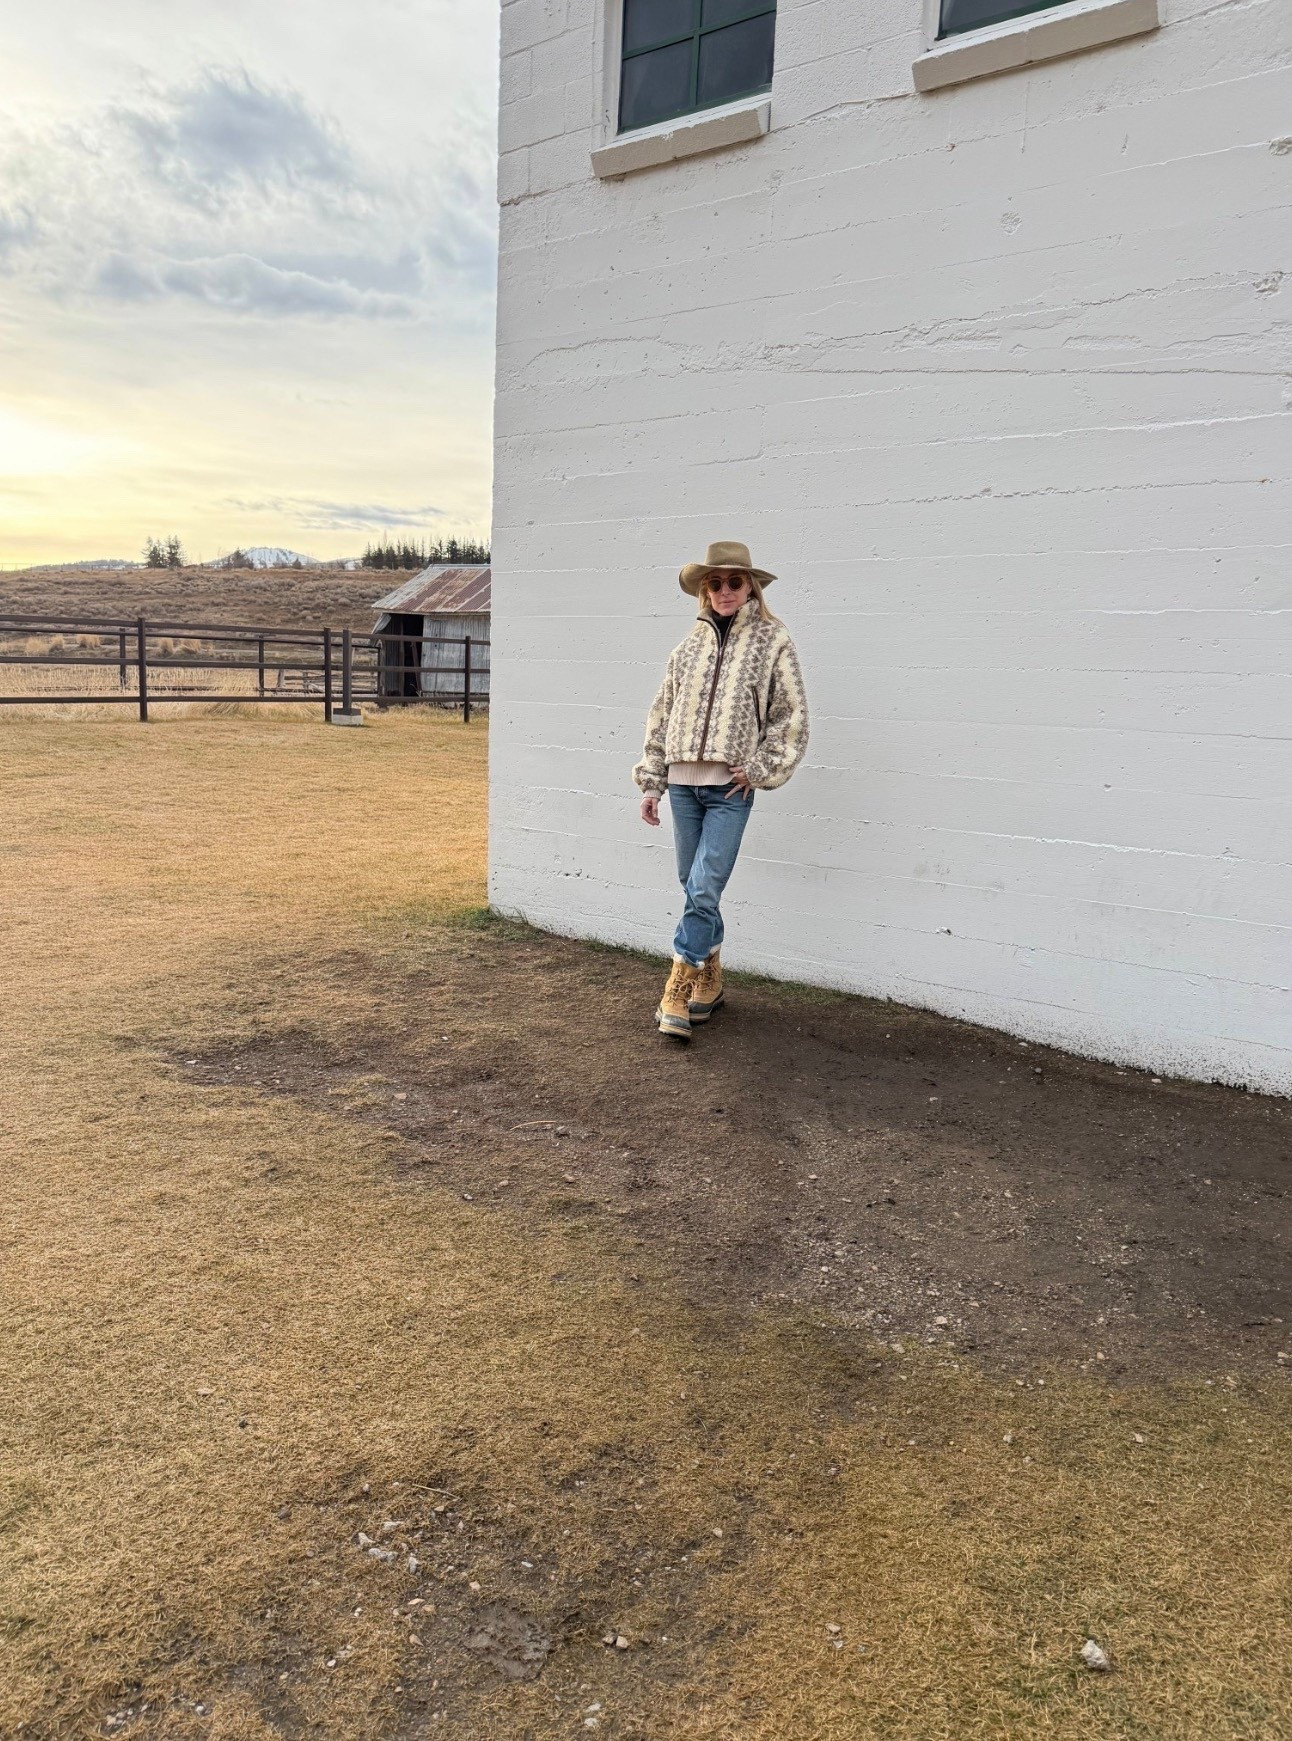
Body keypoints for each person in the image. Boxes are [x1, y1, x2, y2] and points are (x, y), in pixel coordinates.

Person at [633, 539, 810, 1040]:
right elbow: (661, 715)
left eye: (735, 581)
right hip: (685, 786)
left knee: (704, 886)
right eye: (716, 582)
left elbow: (790, 716)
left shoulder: (773, 639)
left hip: (731, 790)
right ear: (704, 590)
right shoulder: (686, 649)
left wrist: (758, 768)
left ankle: (677, 988)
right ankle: (710, 980)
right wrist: (653, 782)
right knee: (693, 884)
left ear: (750, 586)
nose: (725, 590)